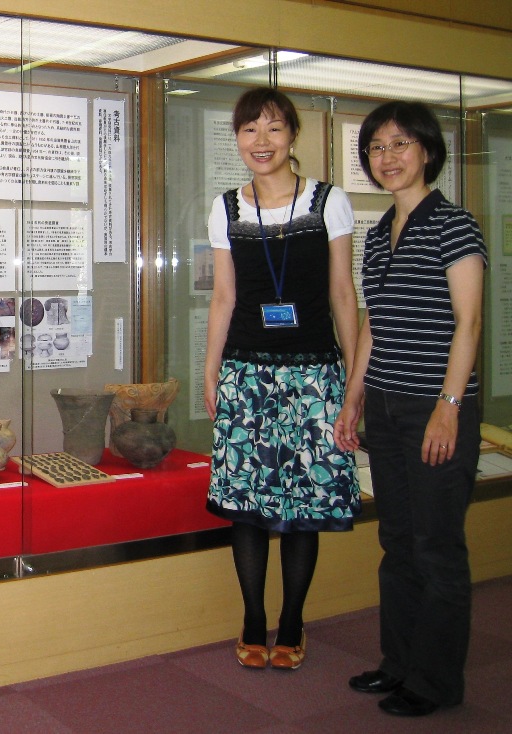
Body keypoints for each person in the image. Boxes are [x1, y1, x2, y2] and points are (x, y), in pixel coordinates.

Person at [337, 102, 486, 717]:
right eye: (376, 147)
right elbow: (374, 324)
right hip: (387, 406)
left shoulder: (454, 225)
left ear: (427, 150)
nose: (388, 157)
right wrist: (354, 398)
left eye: (400, 144)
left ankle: (436, 681)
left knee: (436, 546)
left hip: (436, 405)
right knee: (397, 541)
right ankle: (398, 663)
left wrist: (449, 407)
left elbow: (468, 323)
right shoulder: (378, 234)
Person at [204, 87, 361, 671]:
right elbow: (224, 297)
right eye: (249, 130)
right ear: (237, 139)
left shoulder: (328, 201)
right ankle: (252, 619)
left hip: (315, 373)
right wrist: (211, 371)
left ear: (293, 135)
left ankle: (292, 622)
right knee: (246, 503)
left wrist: (353, 381)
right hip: (247, 372)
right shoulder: (226, 208)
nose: (261, 141)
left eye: (273, 128)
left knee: (304, 503)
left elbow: (342, 293)